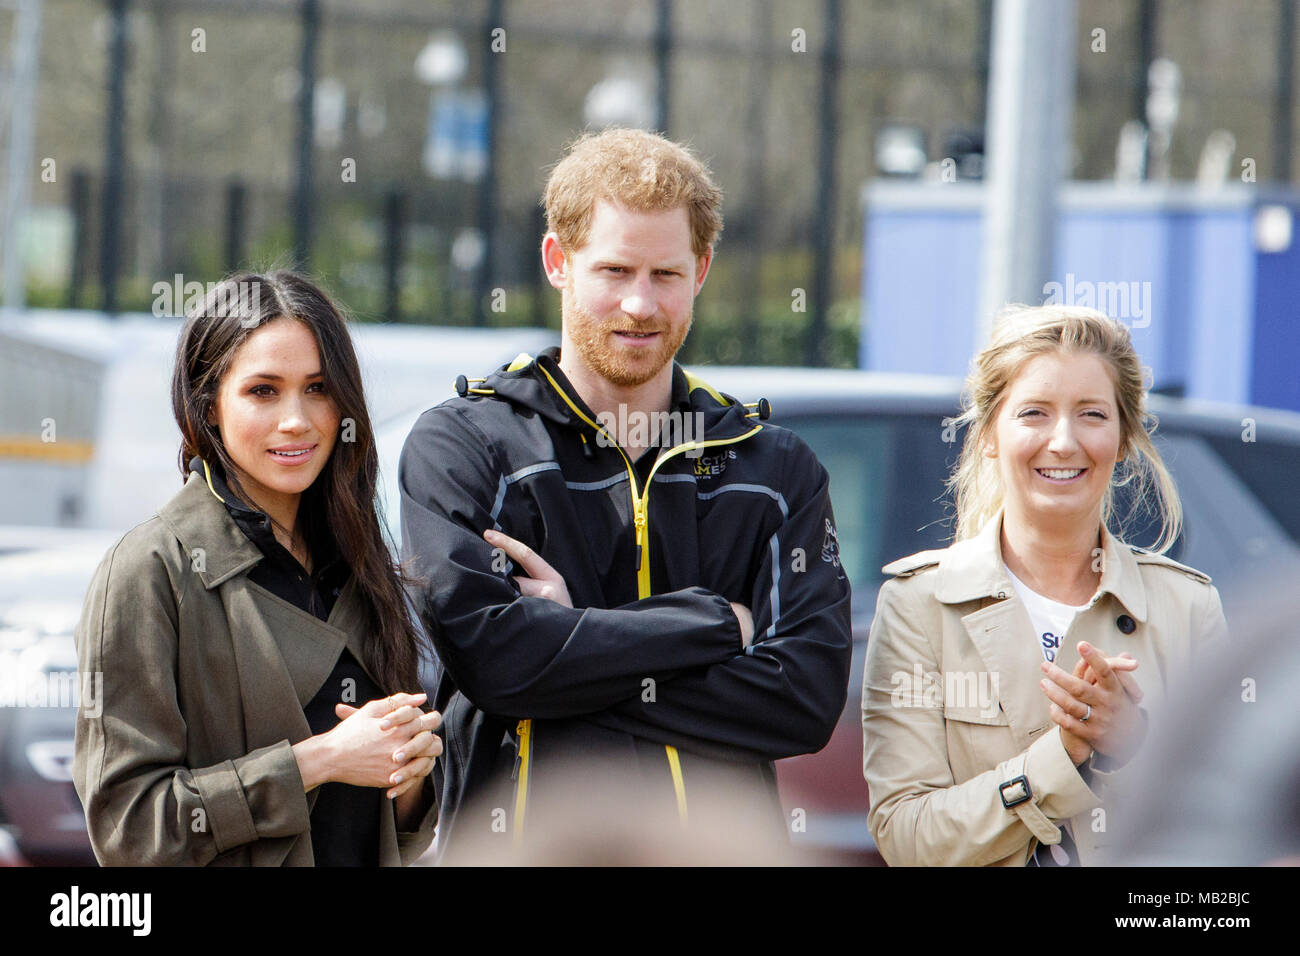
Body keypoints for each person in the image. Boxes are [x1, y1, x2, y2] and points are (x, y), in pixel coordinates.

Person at [399, 127, 853, 856]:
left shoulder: (774, 468)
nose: (639, 305)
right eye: (614, 270)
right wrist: (713, 625)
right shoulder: (466, 446)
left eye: (666, 275)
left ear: (702, 271)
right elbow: (496, 664)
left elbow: (802, 702)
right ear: (558, 261)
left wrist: (571, 644)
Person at [73, 270, 440, 866]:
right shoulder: (149, 570)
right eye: (263, 391)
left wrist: (411, 775)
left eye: (318, 388)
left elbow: (390, 831)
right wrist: (321, 759)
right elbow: (130, 830)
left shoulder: (361, 562)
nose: (296, 419)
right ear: (208, 405)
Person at [861, 304, 1228, 867]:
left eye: (1091, 414)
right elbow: (906, 836)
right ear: (988, 433)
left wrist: (1132, 743)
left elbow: (1231, 828)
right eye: (1034, 412)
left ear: (1125, 437)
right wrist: (1059, 760)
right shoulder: (919, 603)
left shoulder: (1188, 607)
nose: (1062, 442)